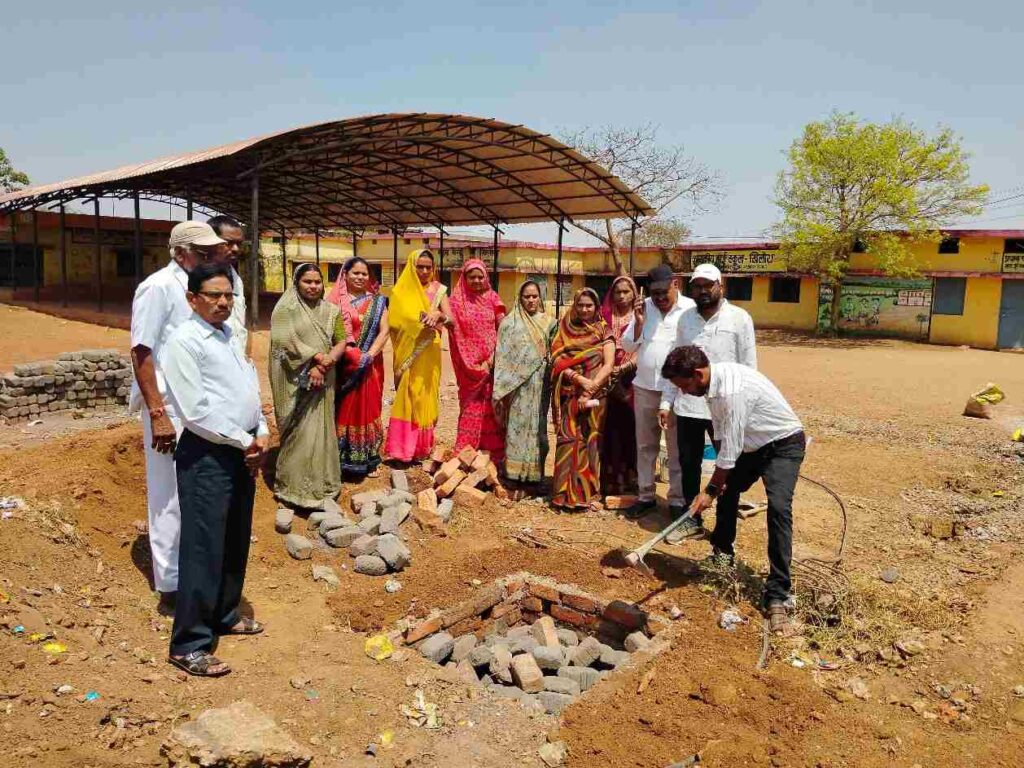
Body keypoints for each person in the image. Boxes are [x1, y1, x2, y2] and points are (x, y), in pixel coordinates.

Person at [160, 262, 269, 676]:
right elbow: (196, 411)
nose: (223, 302)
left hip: (241, 449)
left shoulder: (228, 336)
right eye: (214, 296)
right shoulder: (185, 341)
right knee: (204, 546)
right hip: (208, 454)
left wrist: (258, 430)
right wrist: (246, 441)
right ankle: (189, 642)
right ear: (192, 299)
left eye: (228, 295)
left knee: (234, 537)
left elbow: (247, 391)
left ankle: (226, 612)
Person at [661, 345, 805, 634]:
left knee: (778, 508)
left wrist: (710, 490)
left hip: (783, 444)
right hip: (752, 447)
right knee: (728, 491)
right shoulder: (711, 386)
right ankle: (722, 556)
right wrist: (718, 486)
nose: (685, 393)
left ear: (699, 373)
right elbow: (723, 437)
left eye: (685, 385)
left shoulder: (731, 392)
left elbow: (730, 450)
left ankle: (778, 592)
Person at [129, 220, 226, 613]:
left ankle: (196, 573)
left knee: (196, 491)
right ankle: (170, 585)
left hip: (199, 406)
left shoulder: (197, 290)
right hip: (168, 407)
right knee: (168, 493)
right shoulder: (157, 288)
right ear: (181, 253)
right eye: (204, 253)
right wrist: (157, 413)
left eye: (213, 252)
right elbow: (142, 351)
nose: (212, 258)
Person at [660, 263, 757, 541]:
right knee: (688, 466)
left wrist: (746, 411)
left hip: (725, 408)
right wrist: (667, 403)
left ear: (720, 286)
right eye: (697, 286)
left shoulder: (739, 318)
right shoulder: (685, 320)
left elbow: (749, 367)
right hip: (689, 406)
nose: (702, 291)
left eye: (707, 285)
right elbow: (675, 364)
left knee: (728, 469)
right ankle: (691, 521)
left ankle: (724, 531)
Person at [620, 264, 695, 520]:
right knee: (645, 446)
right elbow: (627, 343)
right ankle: (646, 496)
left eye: (664, 292)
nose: (660, 298)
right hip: (644, 387)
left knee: (675, 447)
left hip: (676, 390)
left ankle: (675, 500)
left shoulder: (689, 310)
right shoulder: (645, 308)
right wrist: (639, 321)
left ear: (676, 284)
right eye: (655, 293)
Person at [268, 263, 344, 509]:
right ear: (296, 283)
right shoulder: (285, 309)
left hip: (326, 375)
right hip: (295, 378)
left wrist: (326, 362)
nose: (313, 286)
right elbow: (283, 341)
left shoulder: (332, 311)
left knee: (321, 431)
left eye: (317, 282)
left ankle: (323, 485)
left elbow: (341, 341)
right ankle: (293, 488)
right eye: (307, 282)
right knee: (299, 432)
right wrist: (316, 357)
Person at [549, 289, 615, 512]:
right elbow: (557, 359)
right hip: (570, 394)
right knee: (568, 441)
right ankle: (561, 494)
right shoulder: (565, 328)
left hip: (597, 396)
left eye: (589, 305)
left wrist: (592, 387)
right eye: (581, 305)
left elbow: (609, 364)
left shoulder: (604, 330)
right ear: (575, 305)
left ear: (597, 307)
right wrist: (578, 379)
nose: (585, 310)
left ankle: (586, 494)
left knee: (591, 442)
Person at [384, 249, 452, 463]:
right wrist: (413, 323)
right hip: (406, 352)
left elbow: (452, 321)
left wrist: (439, 315)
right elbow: (393, 323)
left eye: (428, 267)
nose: (424, 271)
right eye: (420, 266)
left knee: (425, 394)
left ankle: (421, 448)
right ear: (412, 267)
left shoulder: (439, 290)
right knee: (406, 394)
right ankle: (401, 449)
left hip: (429, 350)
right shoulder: (400, 291)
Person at [327, 257, 390, 477]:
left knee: (369, 407)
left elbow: (384, 331)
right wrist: (351, 356)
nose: (361, 277)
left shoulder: (378, 301)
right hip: (344, 366)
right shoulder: (335, 301)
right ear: (345, 275)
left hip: (370, 365)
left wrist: (368, 356)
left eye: (365, 274)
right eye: (356, 273)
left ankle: (368, 458)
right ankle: (340, 458)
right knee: (342, 407)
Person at [492, 280, 556, 494]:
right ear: (520, 298)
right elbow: (502, 355)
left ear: (540, 298)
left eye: (534, 296)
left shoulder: (549, 323)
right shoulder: (509, 323)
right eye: (526, 296)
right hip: (517, 386)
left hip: (540, 384)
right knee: (516, 428)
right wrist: (503, 388)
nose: (530, 300)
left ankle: (534, 477)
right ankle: (513, 475)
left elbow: (555, 351)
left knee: (538, 428)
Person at [449, 259, 507, 462]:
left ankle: (492, 454)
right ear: (464, 278)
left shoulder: (493, 298)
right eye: (471, 277)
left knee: (492, 408)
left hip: (491, 365)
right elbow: (450, 324)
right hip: (468, 368)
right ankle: (465, 452)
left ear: (486, 278)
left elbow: (504, 330)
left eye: (480, 276)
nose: (476, 280)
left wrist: (491, 359)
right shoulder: (456, 301)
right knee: (470, 407)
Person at [599, 275, 639, 497]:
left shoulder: (641, 317)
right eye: (617, 292)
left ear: (634, 293)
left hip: (633, 378)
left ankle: (631, 481)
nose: (622, 296)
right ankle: (609, 481)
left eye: (626, 291)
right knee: (609, 429)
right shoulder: (604, 316)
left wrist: (625, 367)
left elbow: (647, 345)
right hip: (607, 378)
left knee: (631, 429)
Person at [206, 215, 248, 358]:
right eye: (228, 243)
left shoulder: (236, 280)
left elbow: (238, 326)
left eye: (238, 243)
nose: (236, 249)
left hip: (235, 360)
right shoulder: (191, 280)